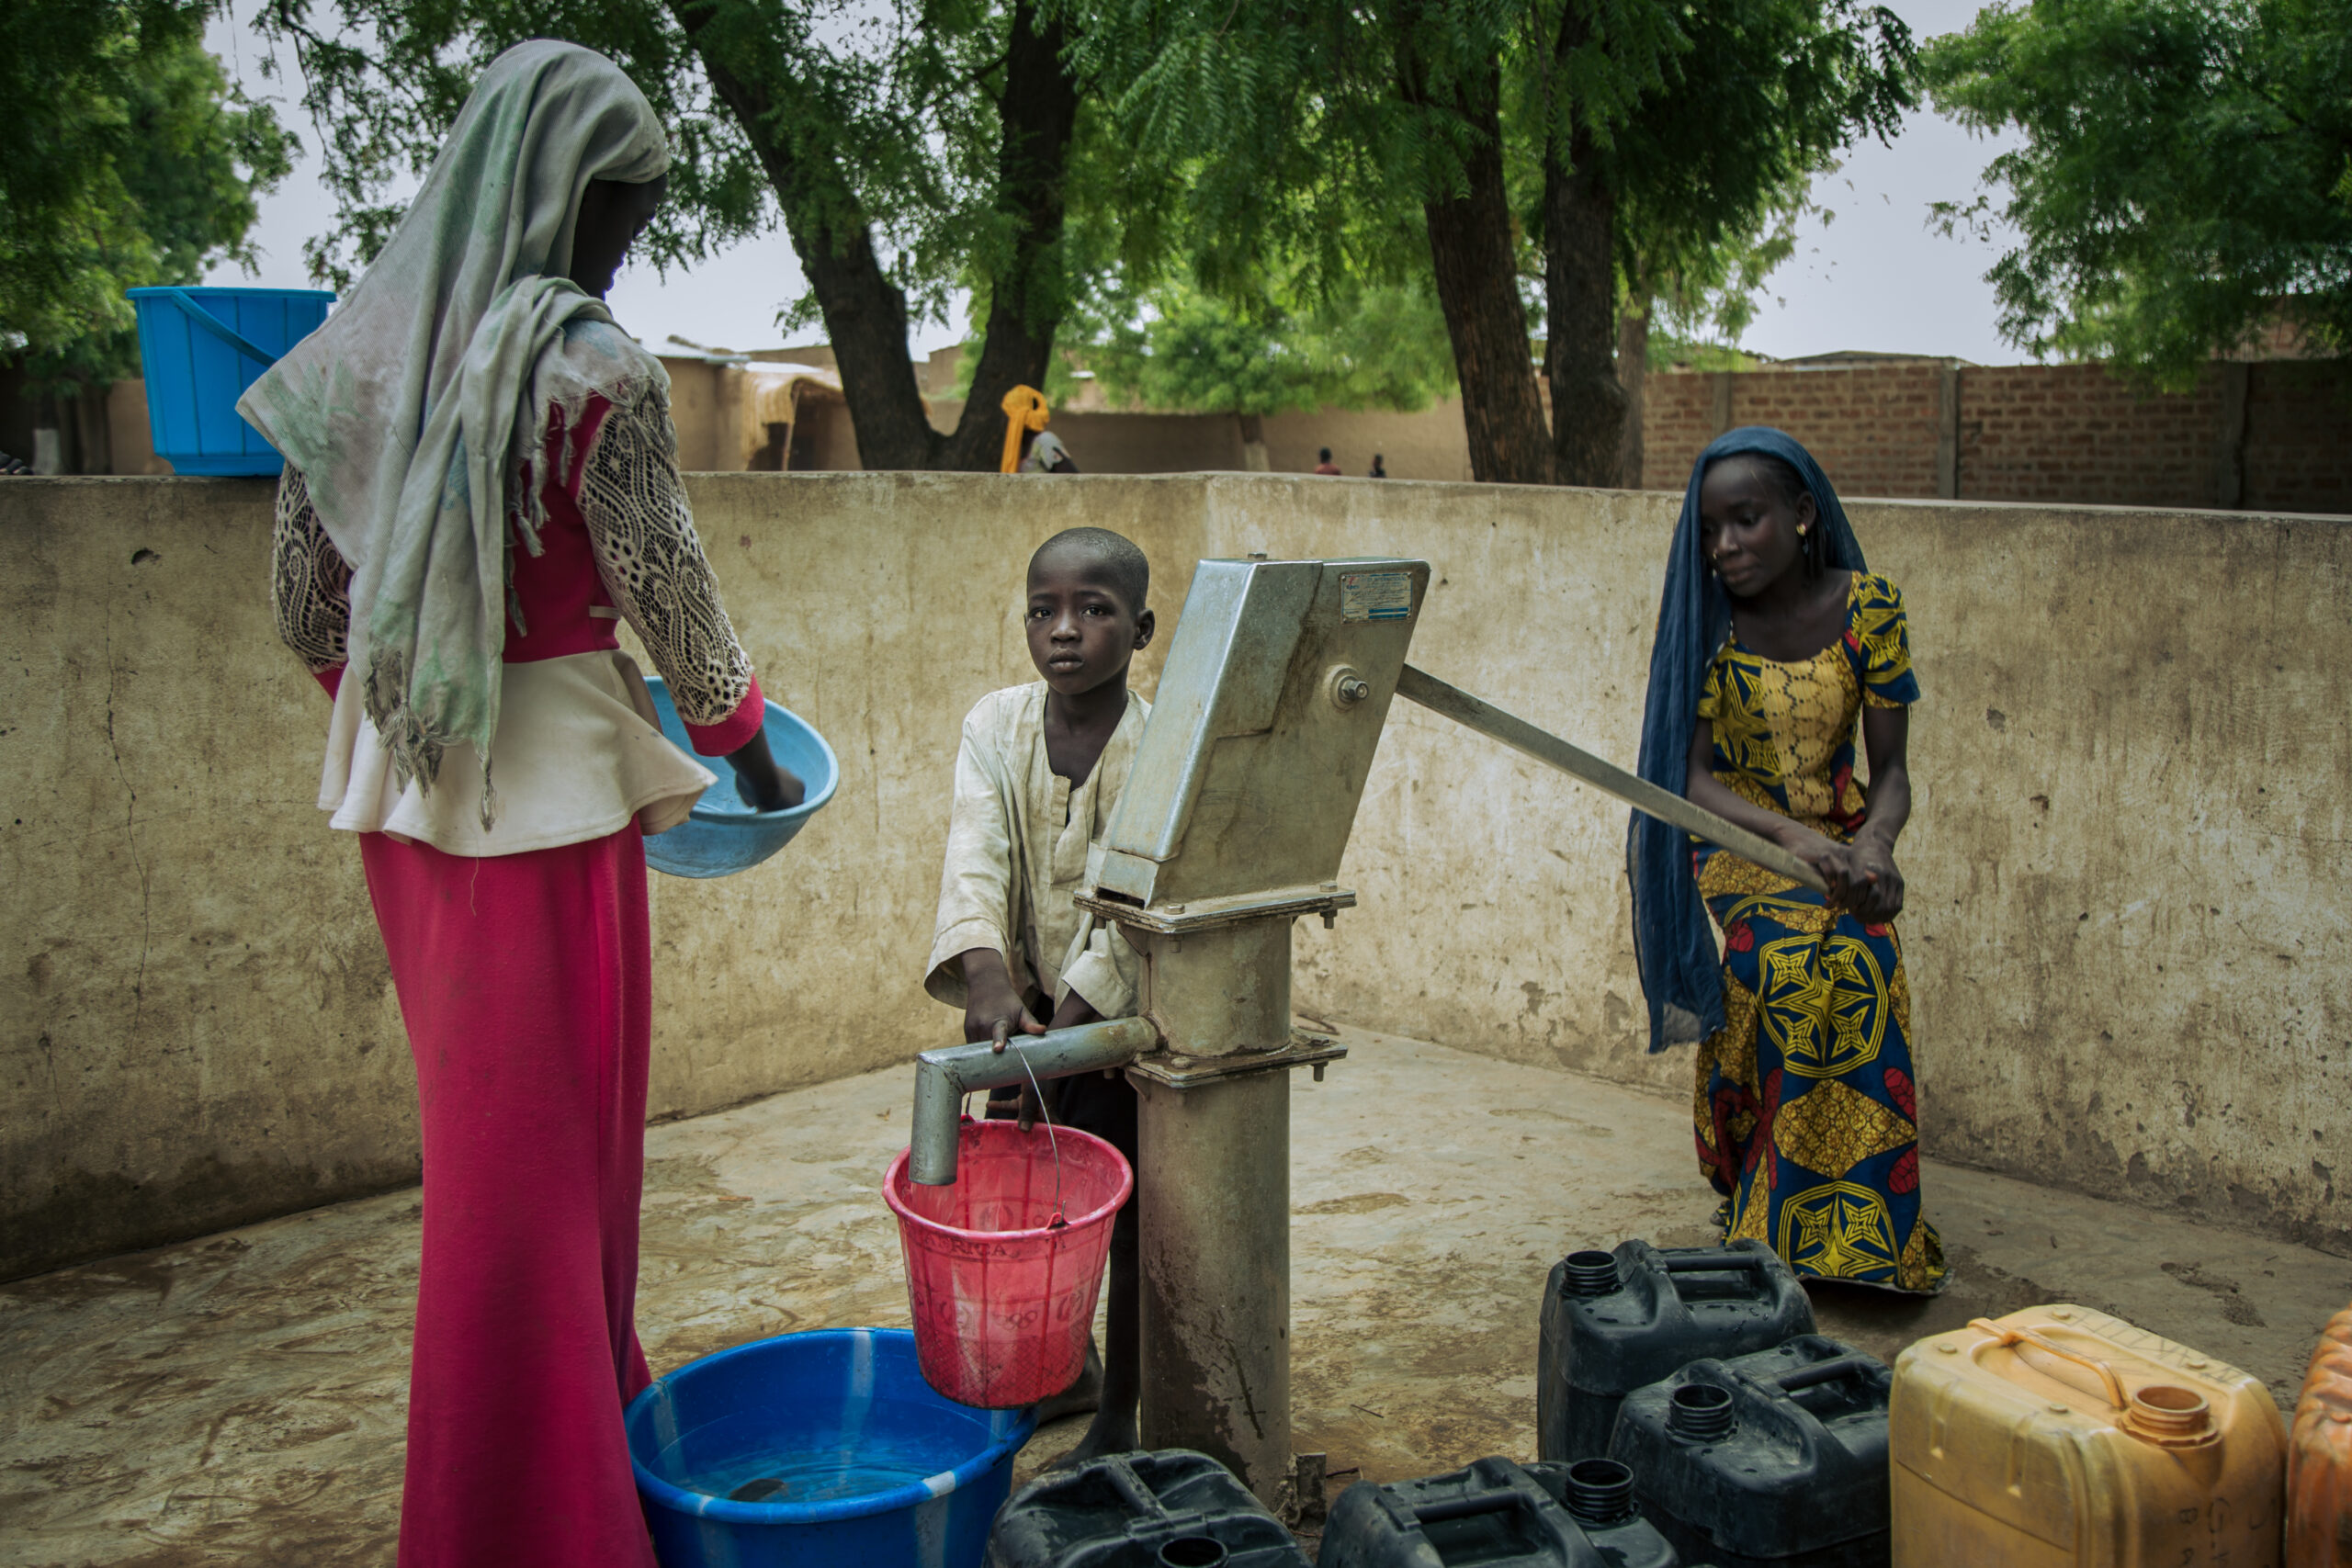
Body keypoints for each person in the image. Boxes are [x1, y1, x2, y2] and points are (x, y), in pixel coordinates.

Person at [239, 42, 800, 1566]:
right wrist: (743, 746)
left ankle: (567, 1458)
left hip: (417, 806)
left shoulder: (360, 353)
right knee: (549, 1178)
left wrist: (417, 717)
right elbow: (667, 590)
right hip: (551, 802)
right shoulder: (588, 365)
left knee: (501, 1166)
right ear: (554, 187)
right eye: (622, 206)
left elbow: (308, 609)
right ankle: (530, 1521)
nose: (624, 242)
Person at [1628, 427, 1946, 1294]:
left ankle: (1871, 1234)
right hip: (1737, 846)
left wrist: (1873, 844)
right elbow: (1689, 776)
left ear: (1802, 516)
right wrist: (1790, 839)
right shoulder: (1710, 623)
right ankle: (1771, 1218)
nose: (1724, 546)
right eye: (1709, 528)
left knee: (1864, 959)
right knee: (1788, 963)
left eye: (1746, 520)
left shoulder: (1871, 609)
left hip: (1842, 843)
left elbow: (1893, 774)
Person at [924, 526, 1155, 1461]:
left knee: (1131, 1219)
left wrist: (1059, 1047)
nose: (1065, 630)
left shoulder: (1164, 745)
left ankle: (1124, 1412)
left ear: (1141, 631)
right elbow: (973, 859)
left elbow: (1136, 911)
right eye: (1043, 610)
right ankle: (1072, 1369)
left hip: (1130, 1027)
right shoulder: (994, 725)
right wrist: (985, 977)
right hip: (1018, 1016)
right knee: (1032, 1207)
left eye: (1094, 611)